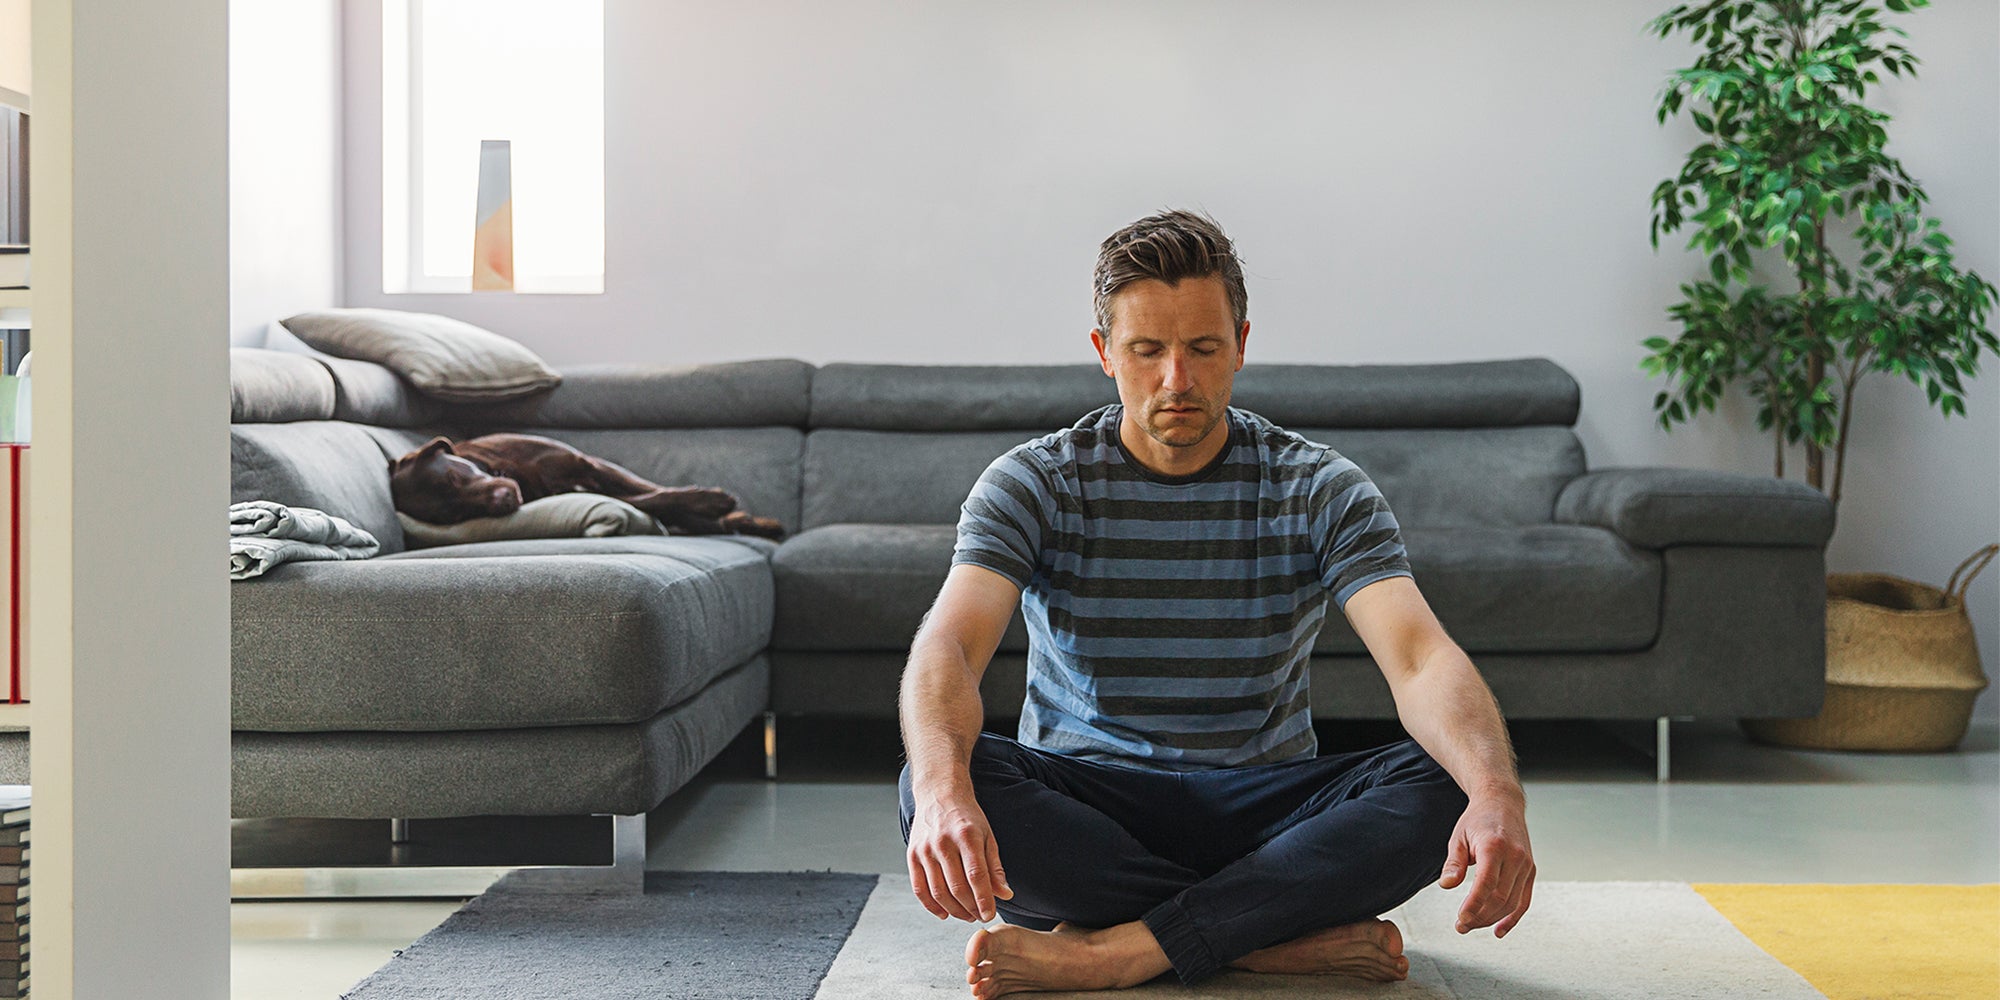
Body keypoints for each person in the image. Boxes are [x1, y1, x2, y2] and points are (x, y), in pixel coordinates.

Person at [897, 209, 1535, 999]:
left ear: (1240, 344)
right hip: (1095, 803)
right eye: (1147, 351)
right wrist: (940, 794)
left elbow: (1420, 657)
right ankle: (1264, 934)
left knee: (1451, 779)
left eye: (1203, 349)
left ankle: (1116, 950)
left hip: (1262, 806)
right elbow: (950, 649)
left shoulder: (1318, 485)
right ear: (1104, 354)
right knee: (944, 775)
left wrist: (1496, 794)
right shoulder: (1036, 482)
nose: (1177, 380)